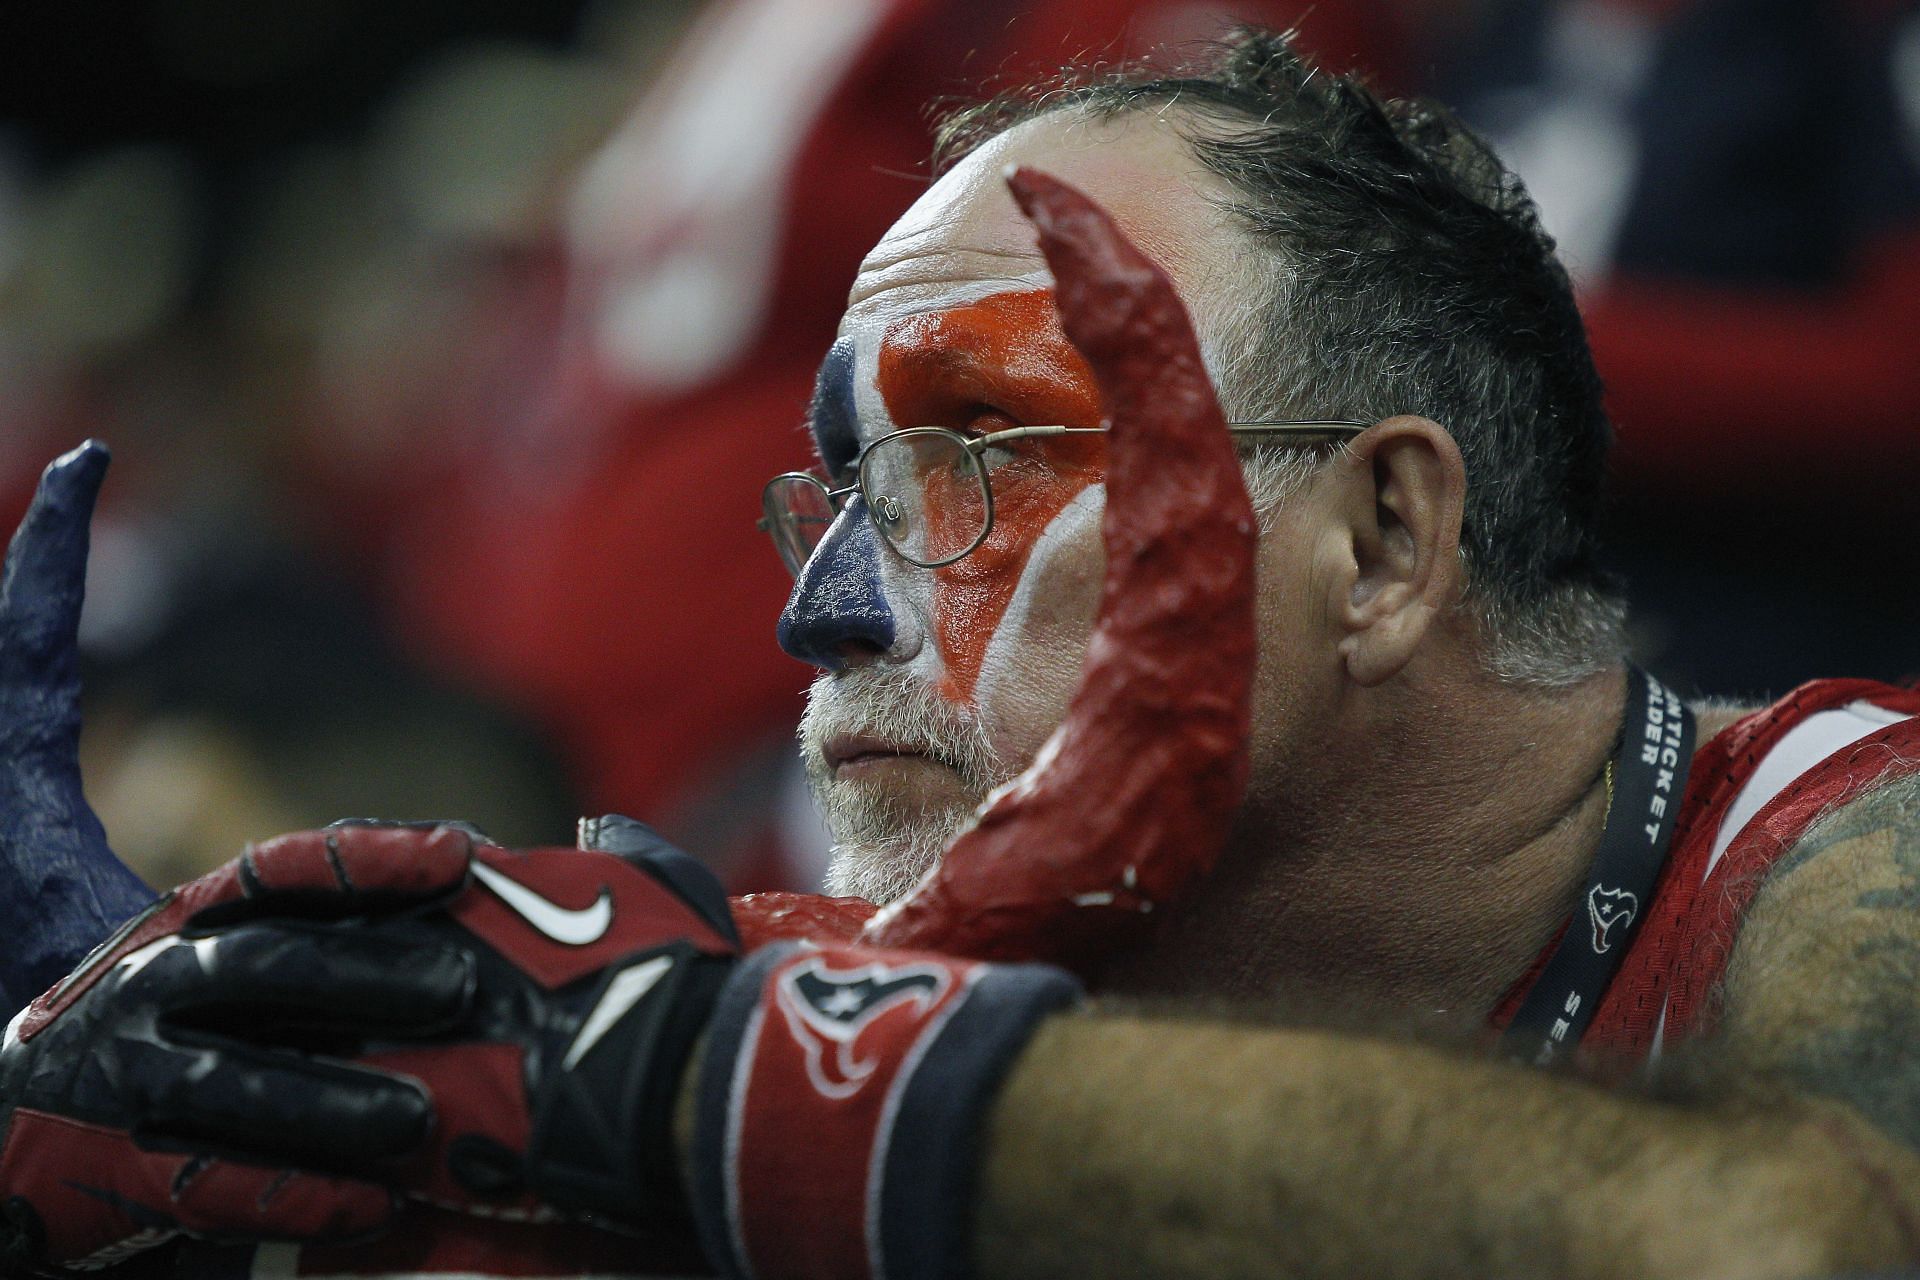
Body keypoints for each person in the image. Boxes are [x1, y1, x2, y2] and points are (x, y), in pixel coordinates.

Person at [3, 26, 1919, 1280]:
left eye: (981, 452)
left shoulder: (1849, 834)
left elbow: (1793, 1229)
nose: (820, 607)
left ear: (1389, 542)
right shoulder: (862, 999)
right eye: (839, 486)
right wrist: (223, 1126)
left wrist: (683, 1087)